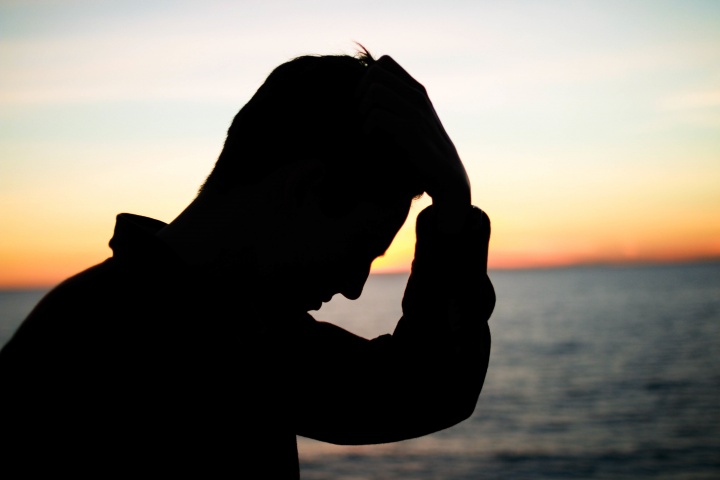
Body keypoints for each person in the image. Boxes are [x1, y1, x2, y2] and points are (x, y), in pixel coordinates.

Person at [0, 50, 495, 478]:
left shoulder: (231, 328)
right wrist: (453, 207)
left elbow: (419, 389)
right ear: (305, 189)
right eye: (359, 250)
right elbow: (419, 391)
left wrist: (454, 210)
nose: (353, 287)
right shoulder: (102, 347)